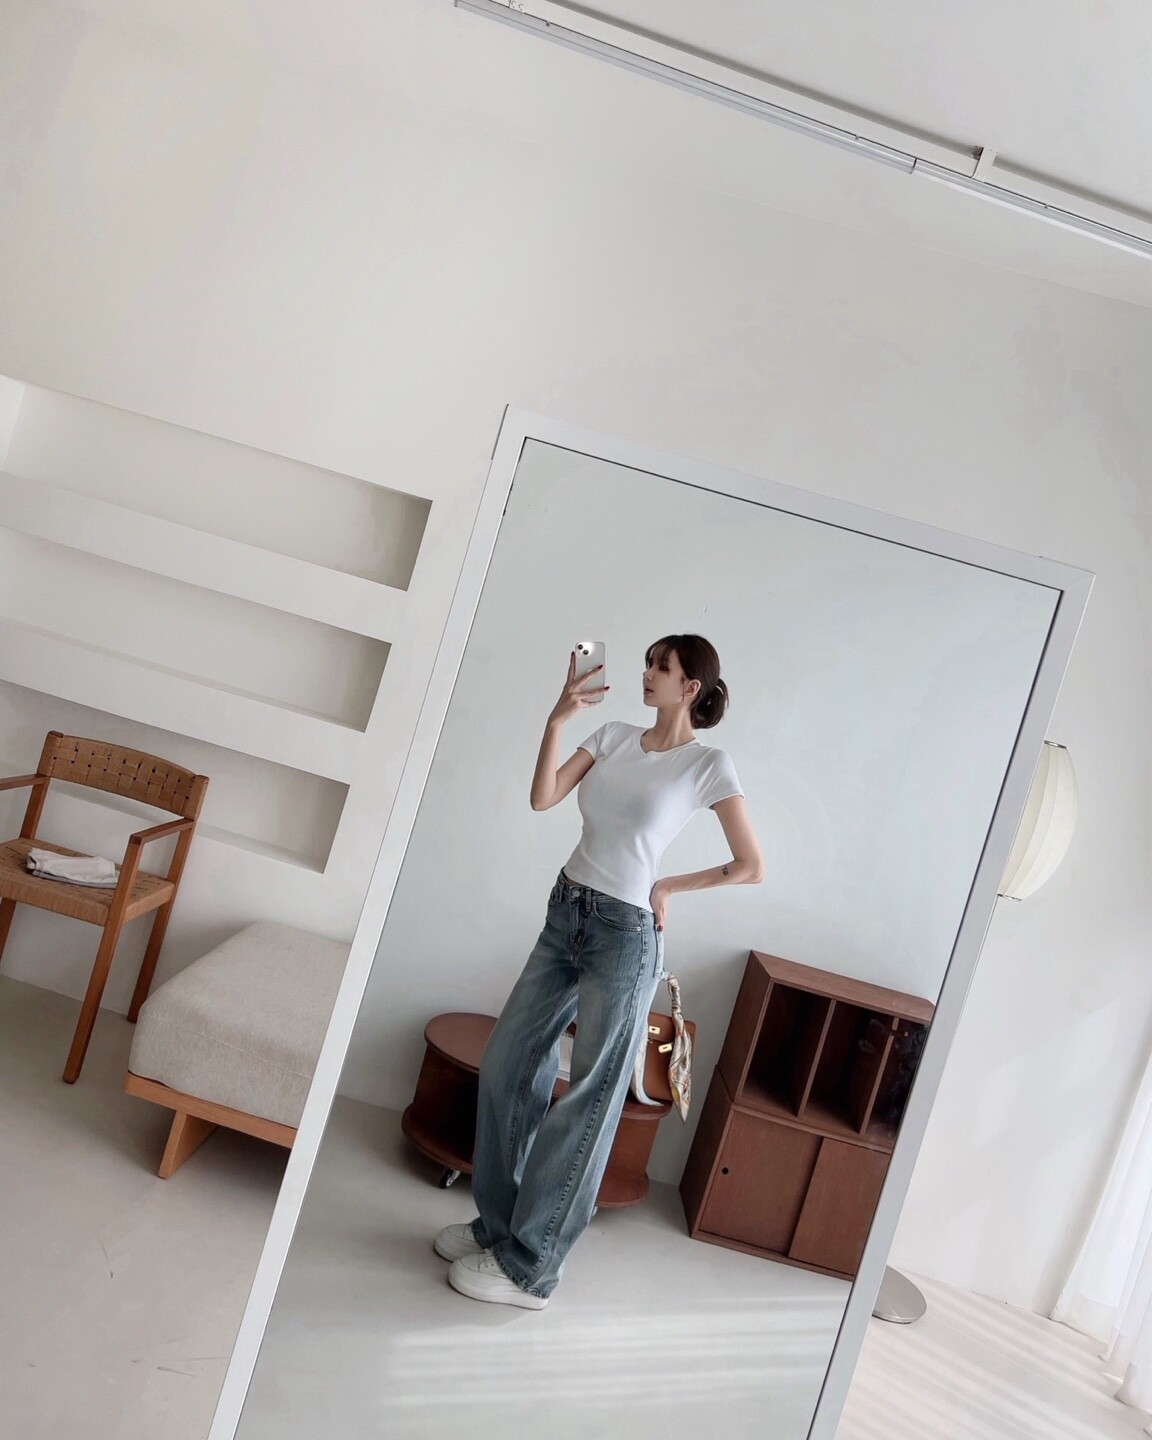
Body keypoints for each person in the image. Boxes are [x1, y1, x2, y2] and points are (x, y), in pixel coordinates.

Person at [434, 634, 764, 1309]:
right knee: (508, 1062)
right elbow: (543, 798)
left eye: (661, 667)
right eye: (647, 663)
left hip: (626, 933)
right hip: (568, 912)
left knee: (590, 1094)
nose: (647, 674)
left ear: (691, 687)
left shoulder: (707, 764)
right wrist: (558, 720)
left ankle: (532, 1267)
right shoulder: (613, 736)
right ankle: (498, 1228)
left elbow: (750, 865)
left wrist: (669, 886)